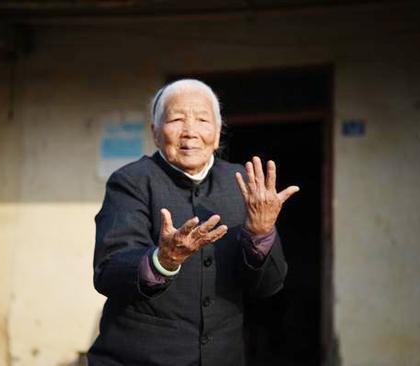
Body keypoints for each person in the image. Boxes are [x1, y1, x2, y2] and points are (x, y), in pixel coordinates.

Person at [88, 79, 299, 366]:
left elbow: (268, 286)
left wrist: (261, 234)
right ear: (155, 132)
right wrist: (163, 260)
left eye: (202, 120)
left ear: (218, 132)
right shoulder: (131, 181)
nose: (190, 132)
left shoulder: (244, 184)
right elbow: (109, 271)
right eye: (176, 119)